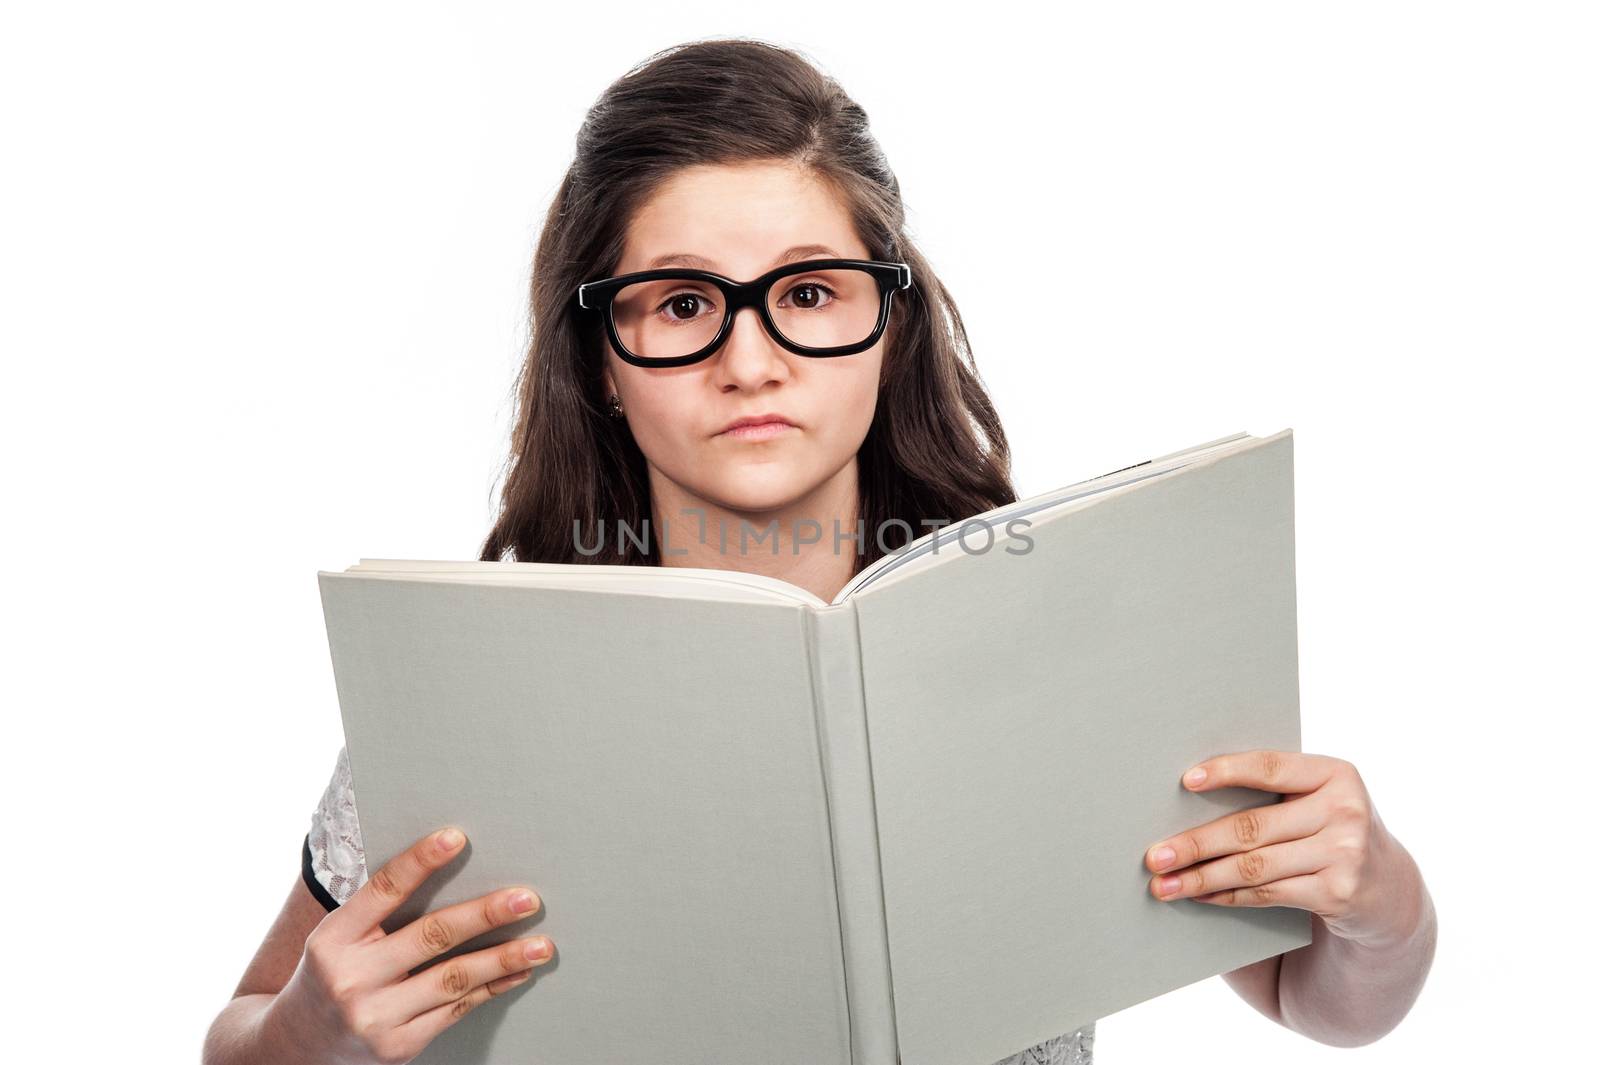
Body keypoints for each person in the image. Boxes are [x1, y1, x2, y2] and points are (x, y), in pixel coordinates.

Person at [203, 37, 1436, 1065]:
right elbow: (242, 1037)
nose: (751, 359)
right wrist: (311, 1032)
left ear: (887, 325)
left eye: (806, 292)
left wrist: (1382, 902)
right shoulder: (473, 701)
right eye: (683, 305)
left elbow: (1312, 1000)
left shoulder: (1065, 634)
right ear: (603, 366)